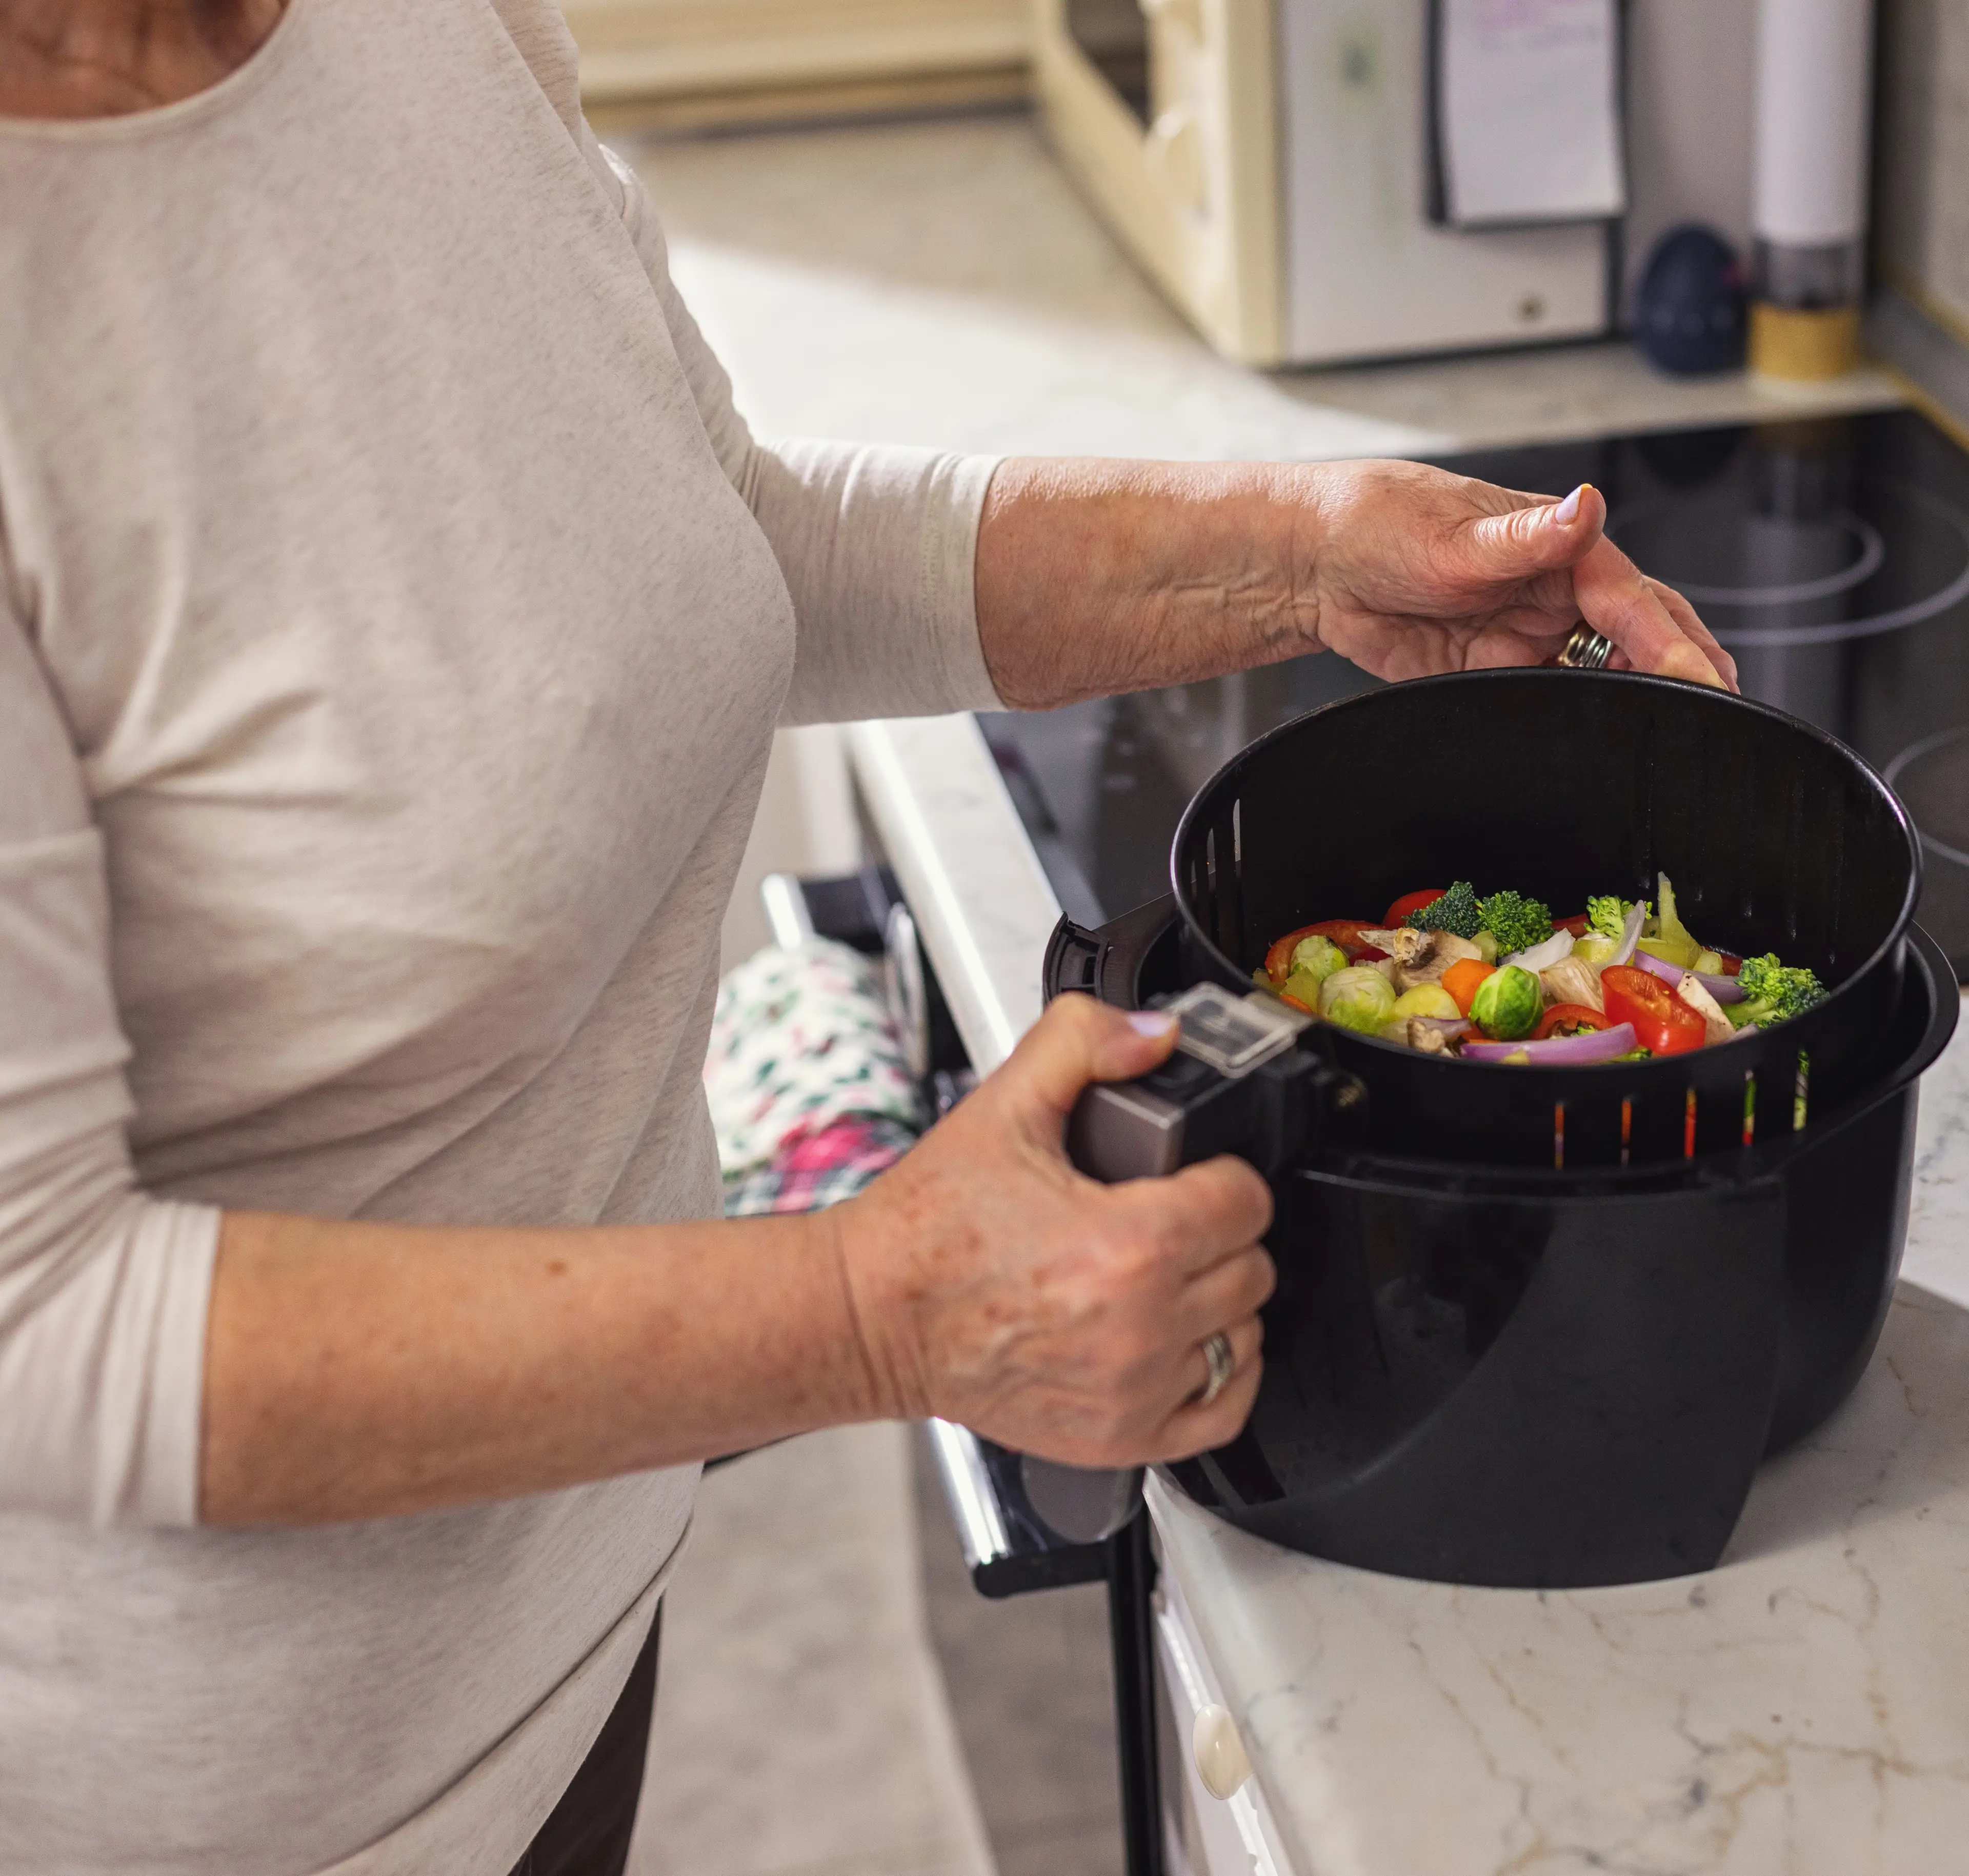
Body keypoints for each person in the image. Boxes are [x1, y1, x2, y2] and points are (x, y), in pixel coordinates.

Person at [0, 3, 1736, 1872]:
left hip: (562, 1626)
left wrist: (1299, 550)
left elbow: (701, 534)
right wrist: (879, 1307)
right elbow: (39, 1326)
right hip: (236, 1807)